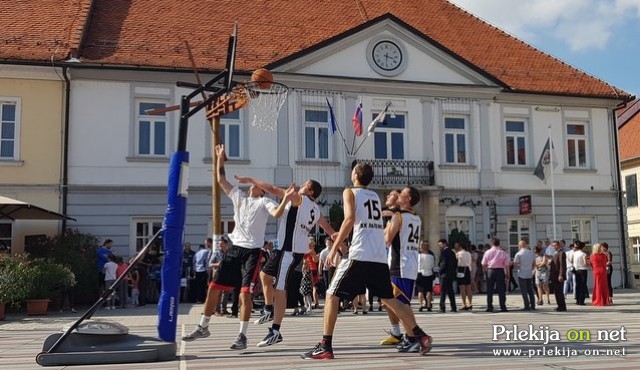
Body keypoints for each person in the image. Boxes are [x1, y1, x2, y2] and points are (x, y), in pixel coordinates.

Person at [301, 163, 433, 359]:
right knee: (390, 299)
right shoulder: (374, 196)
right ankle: (418, 335)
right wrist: (348, 233)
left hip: (359, 254)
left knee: (331, 294)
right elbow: (363, 223)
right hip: (378, 256)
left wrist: (335, 246)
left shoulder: (350, 192)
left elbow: (349, 219)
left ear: (354, 174)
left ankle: (325, 345)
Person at [181, 144, 292, 350]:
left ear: (262, 189)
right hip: (234, 249)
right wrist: (219, 160)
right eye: (254, 183)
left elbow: (277, 214)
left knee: (244, 294)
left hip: (252, 252)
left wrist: (284, 197)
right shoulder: (239, 196)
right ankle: (203, 326)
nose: (254, 184)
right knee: (213, 288)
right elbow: (221, 179)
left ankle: (242, 335)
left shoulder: (265, 202)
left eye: (258, 184)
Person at [232, 176, 335, 347]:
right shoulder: (316, 209)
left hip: (289, 251)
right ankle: (268, 308)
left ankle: (275, 330)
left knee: (280, 289)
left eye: (305, 185)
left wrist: (253, 180)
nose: (301, 186)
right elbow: (326, 226)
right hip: (285, 251)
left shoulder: (299, 198)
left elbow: (273, 188)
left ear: (310, 191)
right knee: (264, 275)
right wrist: (335, 236)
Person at [380, 186, 422, 348]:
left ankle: (413, 337)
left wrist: (387, 223)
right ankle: (406, 335)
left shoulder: (399, 216)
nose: (398, 197)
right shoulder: (415, 217)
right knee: (394, 302)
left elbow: (386, 240)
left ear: (408, 199)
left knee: (401, 305)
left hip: (400, 265)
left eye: (402, 194)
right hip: (409, 263)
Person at [481, 238, 510, 312]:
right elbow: (506, 265)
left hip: (490, 270)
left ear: (491, 243)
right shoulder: (503, 252)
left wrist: (485, 272)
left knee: (490, 289)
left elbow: (484, 264)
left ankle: (490, 306)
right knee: (501, 289)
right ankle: (503, 306)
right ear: (499, 243)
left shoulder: (487, 252)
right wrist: (507, 273)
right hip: (500, 271)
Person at [513, 239, 536, 311]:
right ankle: (533, 305)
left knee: (524, 291)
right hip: (529, 273)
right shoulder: (531, 253)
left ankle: (526, 305)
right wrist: (531, 270)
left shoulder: (518, 254)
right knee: (530, 290)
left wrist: (518, 267)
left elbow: (515, 264)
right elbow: (534, 264)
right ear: (526, 245)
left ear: (519, 246)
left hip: (521, 273)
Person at [438, 239, 457, 313]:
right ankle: (453, 307)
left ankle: (442, 307)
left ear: (445, 244)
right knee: (450, 291)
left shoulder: (444, 252)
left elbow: (443, 264)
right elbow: (455, 263)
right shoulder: (452, 252)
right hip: (451, 274)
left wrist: (440, 271)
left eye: (440, 245)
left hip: (444, 274)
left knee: (443, 291)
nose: (439, 246)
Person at [416, 241, 435, 312]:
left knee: (420, 291)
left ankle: (421, 305)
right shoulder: (431, 256)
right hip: (429, 273)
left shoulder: (418, 256)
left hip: (420, 273)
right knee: (429, 291)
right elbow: (432, 265)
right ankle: (429, 305)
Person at [549, 240, 567, 311]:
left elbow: (562, 265)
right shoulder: (555, 253)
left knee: (559, 291)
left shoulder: (561, 253)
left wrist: (561, 275)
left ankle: (562, 306)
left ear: (559, 245)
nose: (554, 247)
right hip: (554, 275)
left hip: (558, 275)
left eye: (555, 245)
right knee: (556, 291)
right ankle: (559, 305)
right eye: (553, 245)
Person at [456, 244, 473, 310]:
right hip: (468, 270)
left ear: (460, 247)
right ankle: (470, 303)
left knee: (462, 288)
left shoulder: (459, 253)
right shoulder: (469, 253)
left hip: (461, 269)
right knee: (468, 287)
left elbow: (456, 260)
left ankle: (464, 304)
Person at [573, 241, 588, 306]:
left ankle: (577, 299)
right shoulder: (583, 254)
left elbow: (571, 260)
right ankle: (581, 300)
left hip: (576, 270)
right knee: (583, 285)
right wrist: (588, 263)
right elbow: (585, 263)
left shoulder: (575, 253)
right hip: (583, 270)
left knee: (577, 285)